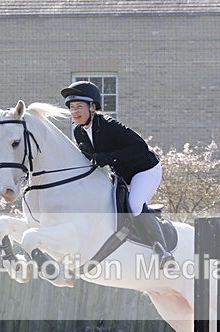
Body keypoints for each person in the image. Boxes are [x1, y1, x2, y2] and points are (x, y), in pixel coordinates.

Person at [61, 81, 174, 267]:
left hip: (145, 170)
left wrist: (106, 158)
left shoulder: (108, 125)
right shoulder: (79, 132)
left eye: (79, 107)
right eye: (71, 108)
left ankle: (162, 250)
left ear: (92, 107)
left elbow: (140, 147)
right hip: (120, 174)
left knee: (135, 203)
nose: (74, 112)